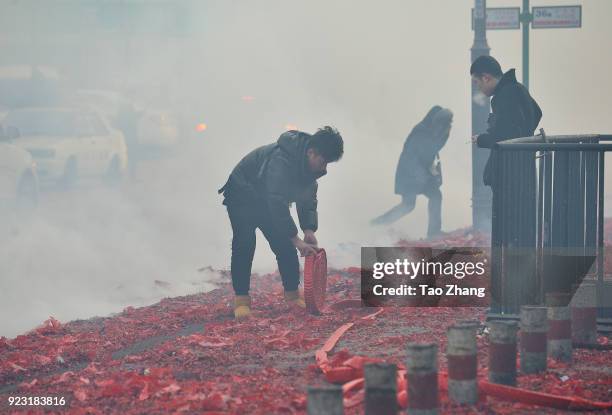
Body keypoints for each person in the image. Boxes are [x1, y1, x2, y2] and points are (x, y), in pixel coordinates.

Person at [219, 127, 344, 319]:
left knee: (284, 246)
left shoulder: (310, 169)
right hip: (242, 195)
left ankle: (292, 295)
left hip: (267, 201)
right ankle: (241, 301)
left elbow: (307, 200)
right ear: (312, 152)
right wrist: (296, 239)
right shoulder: (282, 159)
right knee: (245, 244)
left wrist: (308, 230)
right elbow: (276, 201)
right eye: (323, 161)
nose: (324, 168)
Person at [371, 106, 453, 238]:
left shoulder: (442, 131)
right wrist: (422, 176)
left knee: (435, 196)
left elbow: (432, 152)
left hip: (423, 172)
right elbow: (413, 157)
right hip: (409, 173)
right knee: (408, 205)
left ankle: (434, 232)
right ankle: (375, 225)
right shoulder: (421, 131)